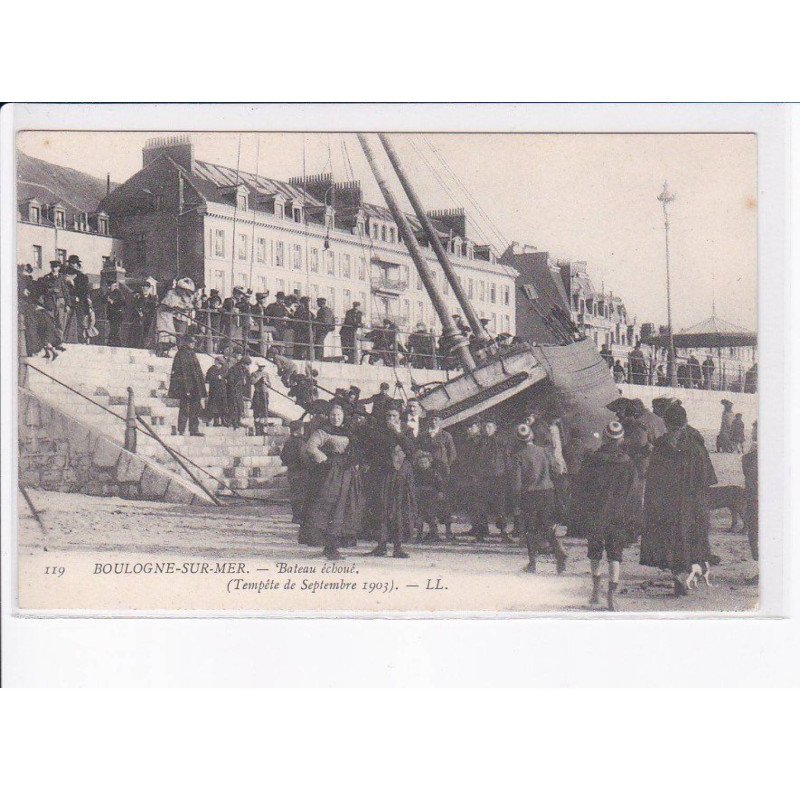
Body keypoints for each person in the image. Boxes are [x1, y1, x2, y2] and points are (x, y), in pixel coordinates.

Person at [640, 402, 718, 596]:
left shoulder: (661, 446)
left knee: (671, 540)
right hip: (693, 503)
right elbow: (708, 478)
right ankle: (689, 573)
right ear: (686, 421)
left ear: (666, 423)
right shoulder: (696, 446)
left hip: (669, 503)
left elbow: (653, 480)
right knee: (692, 538)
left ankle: (678, 577)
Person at [573, 420, 636, 611]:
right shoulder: (628, 463)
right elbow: (632, 491)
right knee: (615, 554)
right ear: (621, 438)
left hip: (595, 512)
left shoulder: (592, 460)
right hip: (618, 513)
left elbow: (581, 487)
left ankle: (595, 590)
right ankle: (611, 596)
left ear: (604, 436)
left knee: (595, 551)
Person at [300, 402, 364, 559]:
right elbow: (311, 448)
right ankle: (329, 546)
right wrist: (325, 460)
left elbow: (355, 449)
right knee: (329, 506)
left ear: (343, 417)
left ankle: (334, 545)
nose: (336, 418)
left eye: (339, 416)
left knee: (344, 507)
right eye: (333, 415)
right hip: (330, 474)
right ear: (329, 416)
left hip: (347, 473)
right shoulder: (323, 432)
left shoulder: (347, 431)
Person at [511, 423, 568, 575]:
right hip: (547, 492)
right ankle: (559, 552)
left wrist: (516, 502)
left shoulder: (518, 456)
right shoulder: (543, 451)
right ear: (532, 437)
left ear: (518, 440)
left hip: (529, 495)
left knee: (530, 530)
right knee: (548, 527)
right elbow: (556, 470)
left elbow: (517, 483)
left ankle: (532, 564)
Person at [366, 404, 417, 557]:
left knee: (399, 509)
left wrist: (398, 433)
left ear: (399, 417)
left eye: (394, 416)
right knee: (382, 507)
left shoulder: (407, 430)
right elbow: (373, 450)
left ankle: (398, 546)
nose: (391, 419)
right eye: (388, 415)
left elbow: (411, 449)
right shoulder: (379, 431)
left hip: (402, 474)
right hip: (384, 473)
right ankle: (381, 545)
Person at [476, 417, 512, 541]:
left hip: (498, 477)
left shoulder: (501, 442)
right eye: (485, 427)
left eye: (490, 427)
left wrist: (507, 474)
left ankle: (503, 532)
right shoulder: (479, 443)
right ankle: (480, 534)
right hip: (483, 478)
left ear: (495, 429)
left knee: (500, 506)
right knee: (481, 505)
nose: (487, 429)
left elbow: (507, 459)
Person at [453, 418, 485, 540]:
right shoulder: (468, 440)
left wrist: (475, 473)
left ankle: (480, 531)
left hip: (477, 475)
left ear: (478, 427)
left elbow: (480, 459)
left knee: (478, 503)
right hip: (469, 475)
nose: (469, 429)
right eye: (468, 427)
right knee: (472, 503)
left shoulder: (480, 441)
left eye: (472, 426)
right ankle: (476, 527)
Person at [168, 335, 207, 436]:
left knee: (195, 408)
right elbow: (181, 373)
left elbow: (197, 370)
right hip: (186, 387)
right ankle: (181, 429)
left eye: (194, 342)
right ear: (186, 343)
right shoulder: (181, 354)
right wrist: (185, 388)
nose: (193, 344)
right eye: (191, 342)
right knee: (184, 408)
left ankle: (194, 429)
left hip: (195, 386)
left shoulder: (192, 353)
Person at [412, 450, 451, 542]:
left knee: (432, 513)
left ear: (429, 462)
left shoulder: (434, 473)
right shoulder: (416, 474)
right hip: (420, 496)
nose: (423, 464)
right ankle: (419, 534)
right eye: (421, 463)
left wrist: (440, 492)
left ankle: (434, 533)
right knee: (420, 515)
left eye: (425, 462)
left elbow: (440, 484)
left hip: (432, 497)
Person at [156, 278, 195, 357]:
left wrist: (182, 308)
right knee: (166, 332)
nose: (184, 293)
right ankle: (162, 351)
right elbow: (165, 305)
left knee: (171, 334)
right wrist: (176, 308)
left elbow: (184, 305)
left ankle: (168, 351)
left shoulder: (182, 296)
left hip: (169, 315)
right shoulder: (171, 294)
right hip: (163, 315)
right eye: (183, 291)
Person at [281, 421, 308, 523]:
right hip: (301, 472)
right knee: (301, 494)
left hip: (291, 472)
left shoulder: (288, 441)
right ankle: (299, 517)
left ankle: (295, 516)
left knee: (294, 494)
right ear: (300, 429)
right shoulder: (301, 442)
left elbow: (282, 456)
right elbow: (304, 457)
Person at [742, 421, 758, 585]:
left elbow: (748, 471)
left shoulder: (754, 455)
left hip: (757, 498)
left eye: (754, 429)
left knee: (756, 534)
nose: (752, 431)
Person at [225, 355, 251, 429]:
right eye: (246, 364)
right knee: (234, 405)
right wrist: (235, 383)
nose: (247, 366)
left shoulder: (244, 370)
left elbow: (247, 379)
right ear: (242, 363)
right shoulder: (234, 369)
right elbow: (230, 379)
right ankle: (234, 421)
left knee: (240, 405)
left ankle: (238, 420)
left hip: (239, 390)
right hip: (233, 389)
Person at [204, 355, 228, 427]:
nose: (219, 365)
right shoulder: (212, 369)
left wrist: (224, 379)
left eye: (221, 364)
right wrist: (217, 377)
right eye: (218, 363)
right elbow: (208, 378)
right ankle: (216, 421)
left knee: (223, 406)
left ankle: (223, 420)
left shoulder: (223, 369)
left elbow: (226, 377)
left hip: (222, 391)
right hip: (214, 391)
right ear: (216, 362)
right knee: (215, 407)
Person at [250, 364, 272, 435]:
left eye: (263, 366)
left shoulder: (266, 374)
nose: (261, 368)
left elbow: (270, 385)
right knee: (256, 411)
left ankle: (262, 429)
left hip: (265, 394)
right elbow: (252, 382)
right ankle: (257, 430)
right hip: (257, 393)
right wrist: (259, 377)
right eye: (260, 366)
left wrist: (266, 382)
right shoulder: (254, 373)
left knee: (264, 411)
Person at [104, 282, 127, 346]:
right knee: (113, 328)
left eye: (110, 286)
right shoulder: (109, 293)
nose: (109, 287)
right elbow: (103, 300)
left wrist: (113, 302)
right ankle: (113, 343)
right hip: (111, 314)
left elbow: (123, 302)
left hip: (117, 314)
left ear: (114, 286)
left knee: (115, 329)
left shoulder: (118, 292)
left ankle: (116, 343)